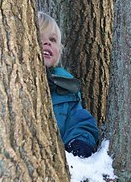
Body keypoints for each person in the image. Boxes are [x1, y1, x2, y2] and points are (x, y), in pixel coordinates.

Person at [38, 11, 99, 158]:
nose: (47, 43)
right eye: (40, 37)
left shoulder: (65, 87)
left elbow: (78, 120)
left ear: (59, 50)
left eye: (52, 40)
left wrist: (78, 142)